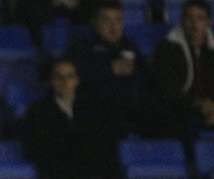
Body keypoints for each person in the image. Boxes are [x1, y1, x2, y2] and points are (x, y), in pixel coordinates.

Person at [22, 58, 121, 179]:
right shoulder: (38, 113)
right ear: (52, 81)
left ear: (77, 80)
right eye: (59, 77)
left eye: (69, 77)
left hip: (91, 172)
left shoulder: (92, 110)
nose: (65, 82)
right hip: (59, 176)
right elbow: (37, 150)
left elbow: (103, 145)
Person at [66, 0, 158, 139]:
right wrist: (110, 69)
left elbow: (148, 77)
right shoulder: (82, 48)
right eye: (106, 20)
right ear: (95, 23)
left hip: (133, 110)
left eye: (118, 20)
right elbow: (75, 78)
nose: (113, 26)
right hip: (99, 112)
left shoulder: (130, 46)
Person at [153, 0, 214, 141]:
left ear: (208, 23)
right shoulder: (167, 48)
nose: (194, 24)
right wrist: (198, 104)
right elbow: (167, 88)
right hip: (181, 108)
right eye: (189, 18)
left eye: (200, 18)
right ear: (182, 21)